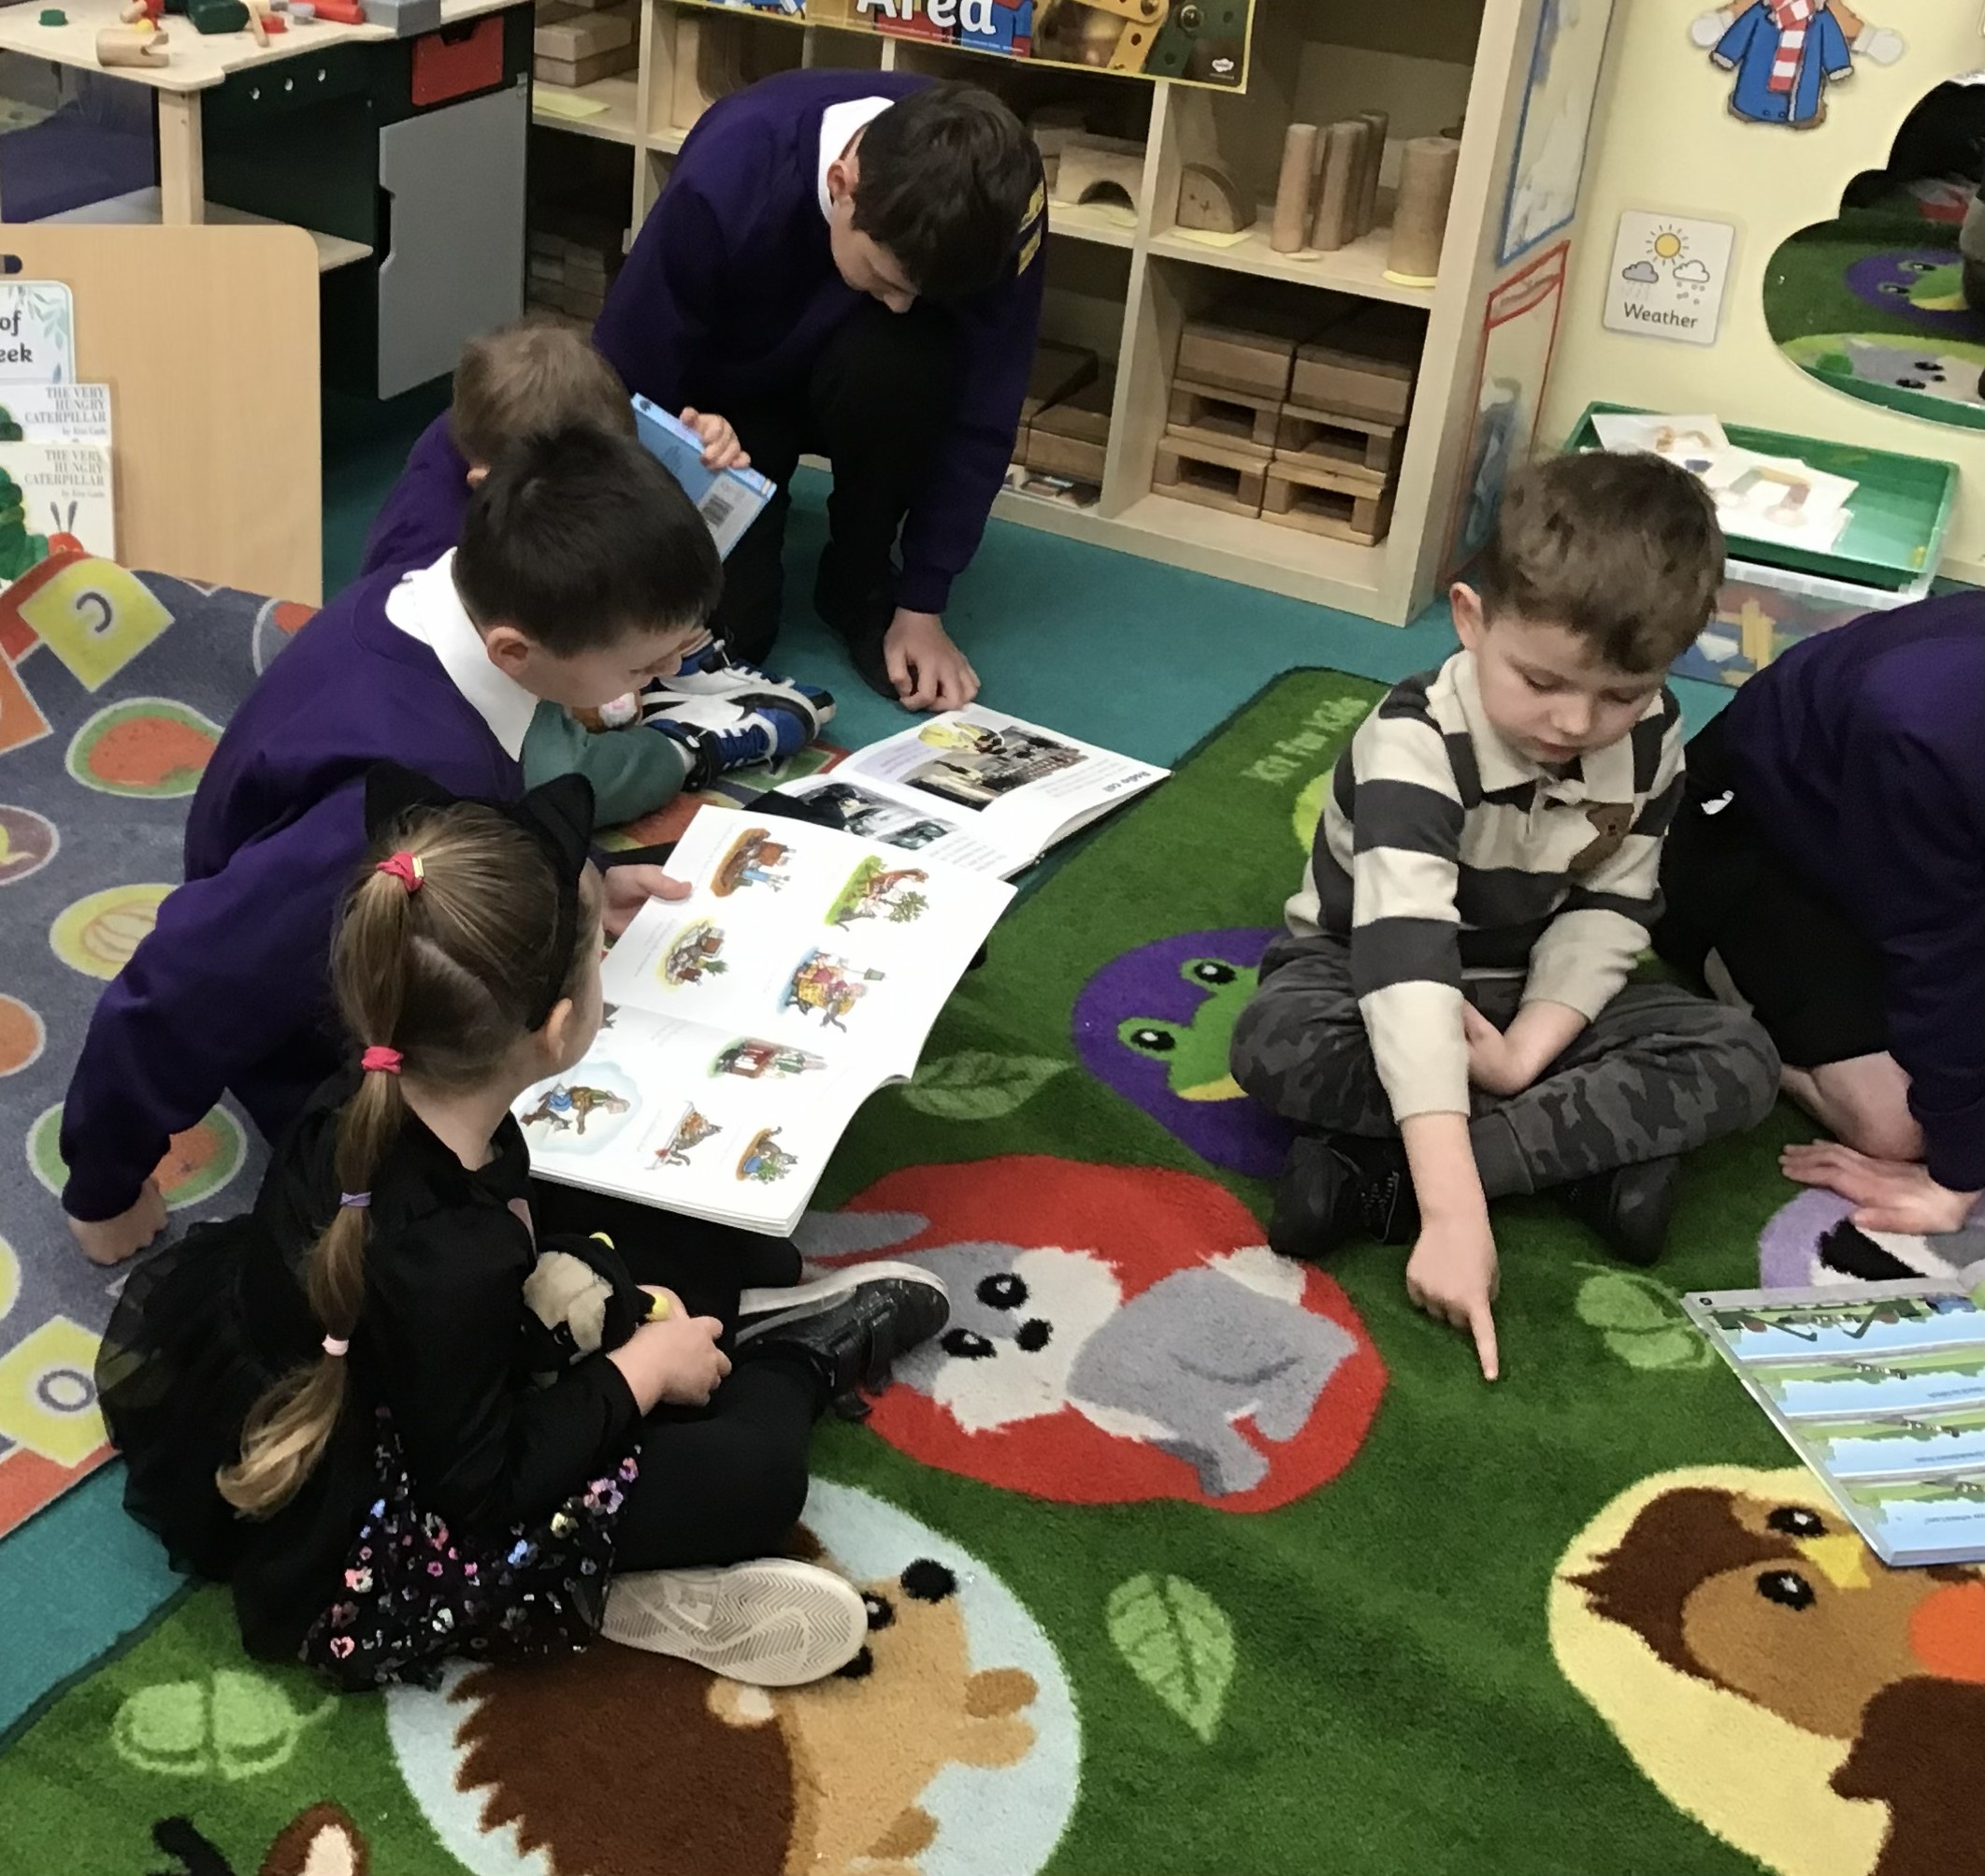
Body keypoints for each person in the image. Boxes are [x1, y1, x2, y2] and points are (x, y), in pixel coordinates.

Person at [96, 780, 949, 1688]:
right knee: (754, 1475)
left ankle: (715, 1349)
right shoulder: (450, 1259)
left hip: (417, 1361)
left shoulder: (380, 1085)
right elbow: (482, 1483)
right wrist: (641, 1371)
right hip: (408, 1501)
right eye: (598, 959)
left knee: (719, 1245)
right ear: (559, 1026)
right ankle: (786, 1367)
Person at [62, 425, 719, 1267]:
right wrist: (105, 1184)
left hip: (317, 878)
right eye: (642, 669)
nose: (661, 681)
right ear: (514, 652)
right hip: (312, 1006)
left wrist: (580, 877)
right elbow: (189, 981)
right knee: (571, 1222)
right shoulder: (390, 806)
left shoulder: (432, 588)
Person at [1230, 454, 1780, 1379]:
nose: (1574, 723)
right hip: (1367, 976)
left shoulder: (1652, 735)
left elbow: (1612, 906)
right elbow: (1403, 969)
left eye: (1620, 693)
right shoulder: (1413, 742)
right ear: (1470, 618)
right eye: (1541, 680)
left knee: (1741, 1055)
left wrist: (1523, 1051)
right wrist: (1454, 1216)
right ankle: (1576, 1163)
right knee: (1274, 1041)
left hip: (1528, 997)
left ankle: (1379, 1181)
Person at [596, 71, 1044, 713]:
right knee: (732, 635)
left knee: (904, 350)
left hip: (867, 377)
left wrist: (922, 601)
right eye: (887, 279)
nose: (900, 304)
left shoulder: (1001, 199)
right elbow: (626, 375)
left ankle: (859, 575)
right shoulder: (733, 165)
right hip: (726, 410)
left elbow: (987, 402)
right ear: (841, 186)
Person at [361, 317, 833, 819]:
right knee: (561, 781)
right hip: (474, 690)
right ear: (491, 482)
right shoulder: (426, 539)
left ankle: (658, 667)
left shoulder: (525, 430)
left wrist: (700, 452)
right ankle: (687, 745)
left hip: (552, 640)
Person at [1655, 595, 1985, 1237]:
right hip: (1743, 841)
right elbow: (1938, 957)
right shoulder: (1924, 731)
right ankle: (1723, 1009)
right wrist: (1957, 1176)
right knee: (1895, 1123)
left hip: (1885, 839)